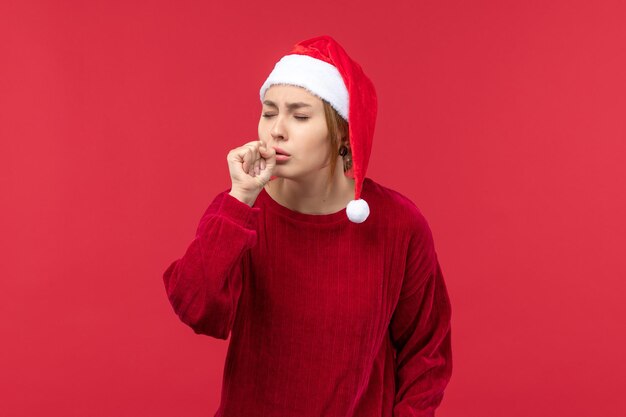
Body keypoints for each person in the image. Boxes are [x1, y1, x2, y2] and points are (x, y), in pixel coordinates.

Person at [162, 35, 453, 417]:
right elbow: (197, 310)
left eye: (299, 116)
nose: (276, 130)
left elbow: (426, 353)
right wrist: (239, 201)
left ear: (343, 136)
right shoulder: (240, 211)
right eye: (269, 112)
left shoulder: (399, 224)